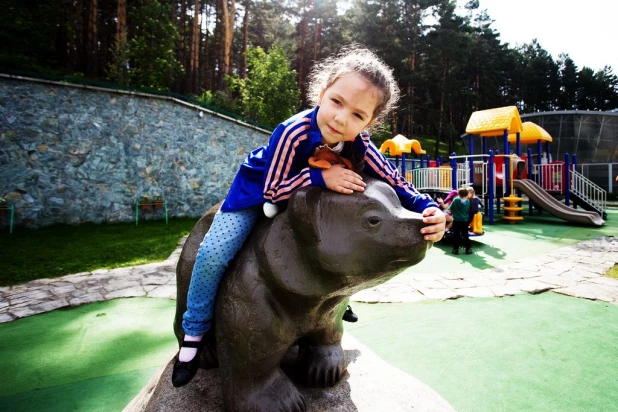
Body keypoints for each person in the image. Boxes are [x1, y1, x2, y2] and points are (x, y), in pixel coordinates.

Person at [172, 45, 447, 388]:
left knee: (343, 248)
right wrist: (321, 177)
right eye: (336, 102)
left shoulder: (360, 143)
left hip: (308, 198)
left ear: (370, 123)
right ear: (322, 93)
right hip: (259, 191)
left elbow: (395, 180)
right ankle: (194, 330)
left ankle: (332, 311)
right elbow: (272, 190)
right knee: (213, 251)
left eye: (358, 115)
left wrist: (427, 207)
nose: (341, 119)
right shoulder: (292, 132)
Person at [448, 187, 472, 255]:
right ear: (467, 194)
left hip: (456, 220)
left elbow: (450, 208)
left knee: (456, 235)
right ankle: (468, 249)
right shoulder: (468, 201)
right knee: (465, 235)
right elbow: (467, 210)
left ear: (458, 194)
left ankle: (455, 249)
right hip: (464, 220)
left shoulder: (455, 200)